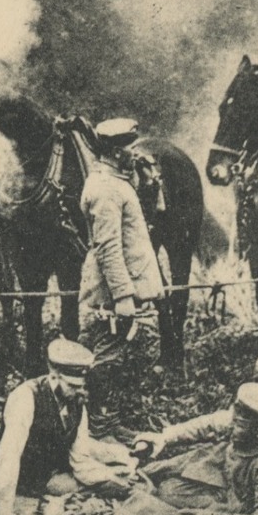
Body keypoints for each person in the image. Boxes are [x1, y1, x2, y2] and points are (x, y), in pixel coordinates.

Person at [78, 117, 165, 440]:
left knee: (121, 359)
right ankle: (102, 430)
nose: (135, 154)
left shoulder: (115, 181)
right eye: (130, 148)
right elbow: (108, 247)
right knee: (108, 359)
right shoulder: (105, 189)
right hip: (112, 295)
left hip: (126, 290)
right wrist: (123, 296)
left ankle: (114, 423)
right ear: (115, 153)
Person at [0, 338, 136, 515]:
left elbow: (80, 458)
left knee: (113, 477)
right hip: (26, 475)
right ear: (53, 376)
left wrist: (108, 477)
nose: (78, 392)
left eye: (81, 386)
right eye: (72, 386)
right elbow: (8, 455)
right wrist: (4, 509)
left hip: (56, 468)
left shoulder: (76, 404)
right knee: (84, 488)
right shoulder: (26, 397)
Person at [130, 382, 258, 515]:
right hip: (227, 467)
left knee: (170, 497)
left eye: (238, 425)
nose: (230, 424)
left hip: (244, 497)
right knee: (164, 477)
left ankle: (215, 506)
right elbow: (209, 424)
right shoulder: (245, 422)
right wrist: (165, 438)